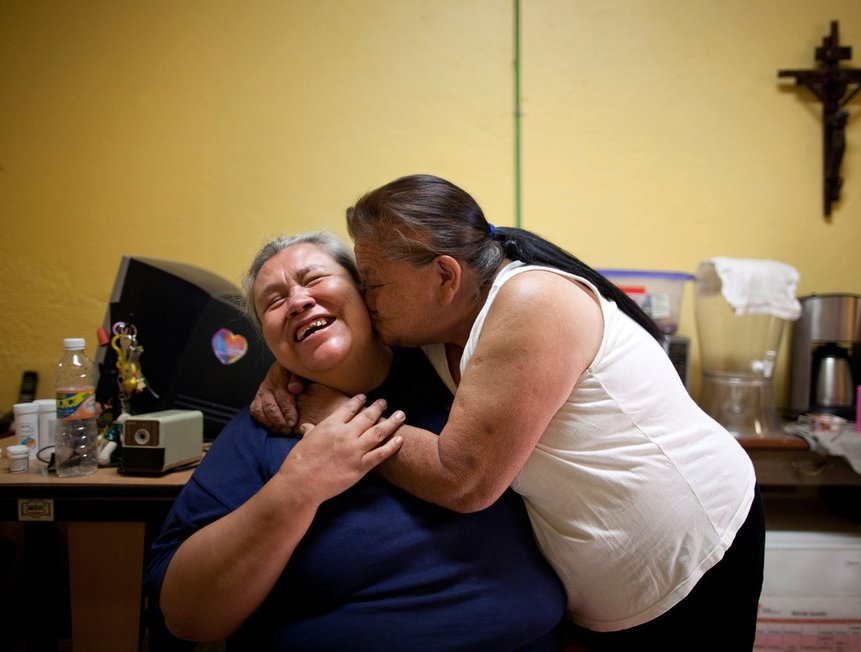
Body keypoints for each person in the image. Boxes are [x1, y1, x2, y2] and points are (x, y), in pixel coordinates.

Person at [252, 174, 766, 651]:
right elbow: (347, 345)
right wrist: (287, 369)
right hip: (608, 584)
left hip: (699, 547)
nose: (368, 297)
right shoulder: (433, 329)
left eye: (375, 282)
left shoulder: (532, 302)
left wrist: (332, 411)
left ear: (445, 277)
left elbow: (464, 479)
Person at [143, 231, 566, 651]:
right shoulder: (264, 430)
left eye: (314, 280)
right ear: (268, 342)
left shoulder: (455, 370)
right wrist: (296, 488)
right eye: (273, 301)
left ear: (368, 294)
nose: (298, 301)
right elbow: (185, 616)